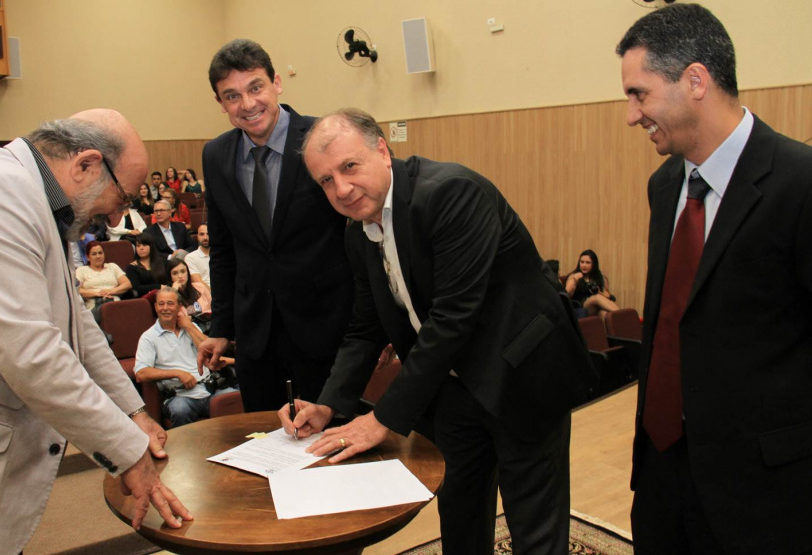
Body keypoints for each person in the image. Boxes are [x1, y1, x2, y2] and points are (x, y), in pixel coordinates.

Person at [281, 109, 593, 554]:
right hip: (452, 391)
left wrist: (382, 419)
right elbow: (366, 328)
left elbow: (453, 317)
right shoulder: (357, 233)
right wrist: (329, 404)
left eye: (349, 167)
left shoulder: (451, 193)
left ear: (383, 150)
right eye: (326, 181)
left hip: (523, 375)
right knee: (461, 521)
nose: (342, 189)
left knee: (534, 529)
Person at [0, 109, 192, 555]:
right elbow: (33, 354)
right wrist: (128, 453)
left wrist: (134, 413)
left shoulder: (32, 196)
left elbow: (76, 326)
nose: (118, 214)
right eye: (124, 196)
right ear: (87, 165)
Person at [617, 5, 812, 554]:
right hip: (661, 477)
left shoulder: (799, 183)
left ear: (695, 80)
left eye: (639, 94)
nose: (632, 115)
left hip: (764, 495)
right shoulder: (663, 188)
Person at [199, 39, 353, 412]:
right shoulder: (216, 155)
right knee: (264, 446)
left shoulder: (323, 138)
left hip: (326, 329)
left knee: (330, 450)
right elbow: (222, 249)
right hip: (256, 338)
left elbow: (362, 235)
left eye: (256, 87)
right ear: (221, 104)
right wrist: (222, 328)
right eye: (232, 96)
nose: (248, 104)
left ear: (277, 83)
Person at [135, 287, 235, 427]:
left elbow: (211, 352)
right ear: (155, 307)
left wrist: (189, 326)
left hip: (210, 389)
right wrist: (178, 373)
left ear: (179, 307)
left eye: (170, 303)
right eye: (161, 304)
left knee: (234, 398)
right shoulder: (148, 337)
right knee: (180, 410)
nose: (165, 308)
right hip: (181, 396)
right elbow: (141, 373)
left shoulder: (191, 327)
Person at [76, 240, 132, 311]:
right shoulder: (81, 270)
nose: (98, 256)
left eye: (100, 253)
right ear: (88, 257)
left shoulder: (112, 266)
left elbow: (127, 284)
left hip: (115, 302)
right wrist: (97, 293)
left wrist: (111, 291)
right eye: (94, 254)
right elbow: (77, 290)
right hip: (95, 305)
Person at [565, 249, 620, 316]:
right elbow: (567, 295)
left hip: (596, 307)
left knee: (604, 313)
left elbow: (607, 296)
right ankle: (622, 315)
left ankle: (619, 322)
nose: (584, 265)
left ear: (593, 264)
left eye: (588, 263)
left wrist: (598, 292)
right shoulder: (573, 276)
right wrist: (575, 282)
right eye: (582, 262)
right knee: (596, 298)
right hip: (581, 306)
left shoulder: (599, 276)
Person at [126, 232, 168, 297]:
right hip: (144, 298)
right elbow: (136, 288)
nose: (141, 248)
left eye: (144, 245)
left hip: (165, 295)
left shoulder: (164, 263)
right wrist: (159, 287)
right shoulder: (132, 267)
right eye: (138, 245)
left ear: (151, 246)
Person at [184, 223, 211, 287]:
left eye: (208, 234)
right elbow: (198, 282)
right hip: (204, 293)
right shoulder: (190, 257)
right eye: (202, 234)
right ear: (197, 237)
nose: (205, 238)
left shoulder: (220, 256)